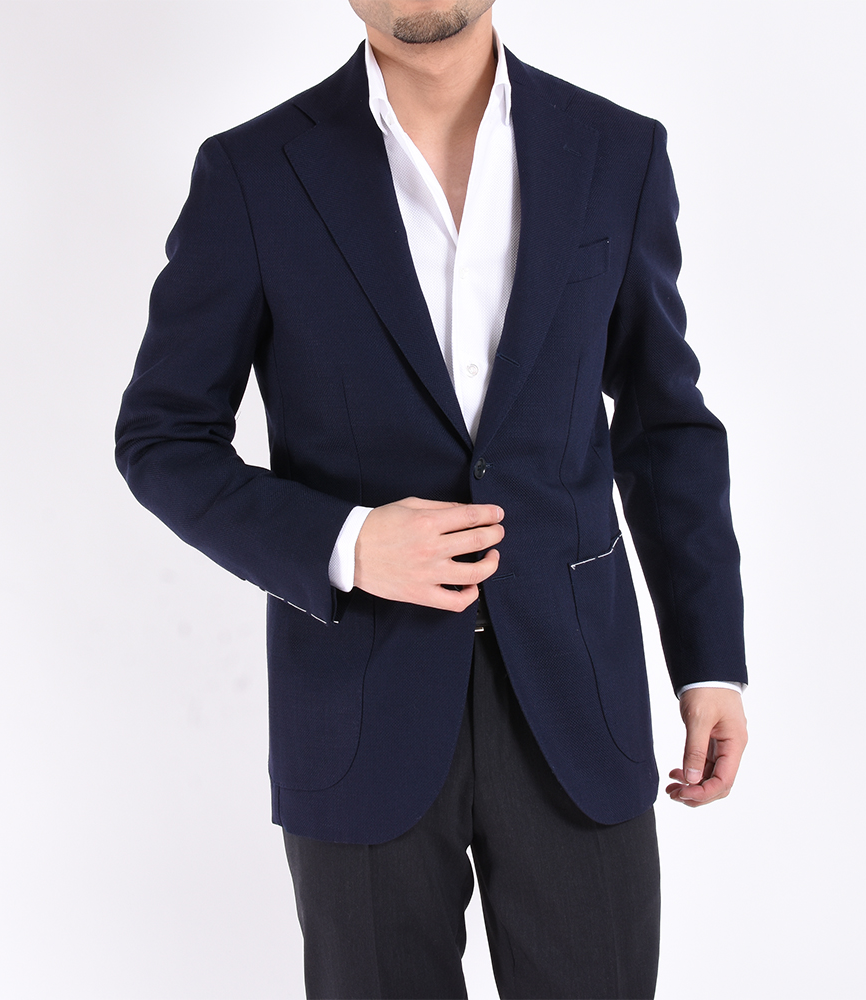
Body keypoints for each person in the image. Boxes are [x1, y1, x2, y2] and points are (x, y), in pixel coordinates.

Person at [115, 2, 749, 997]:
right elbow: (163, 438)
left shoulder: (615, 152)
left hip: (577, 698)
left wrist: (708, 661)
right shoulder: (253, 172)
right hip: (358, 706)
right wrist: (348, 542)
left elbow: (664, 426)